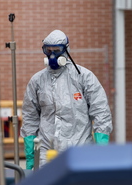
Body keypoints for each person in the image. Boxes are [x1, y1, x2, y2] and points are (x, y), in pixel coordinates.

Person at [20, 29, 113, 170]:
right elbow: (30, 117)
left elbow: (101, 113)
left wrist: (101, 149)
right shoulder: (37, 80)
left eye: (56, 50)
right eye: (48, 50)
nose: (52, 55)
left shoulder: (84, 77)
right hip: (47, 151)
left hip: (80, 150)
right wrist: (31, 155)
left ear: (66, 50)